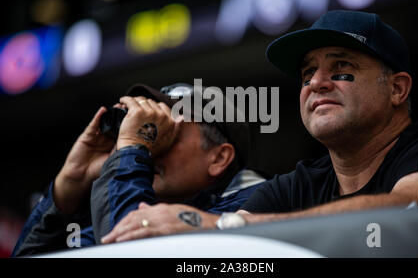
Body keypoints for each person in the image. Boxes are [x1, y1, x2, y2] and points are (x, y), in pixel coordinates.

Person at [99, 9, 418, 244]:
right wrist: (67, 189)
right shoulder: (297, 185)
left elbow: (411, 206)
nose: (316, 83)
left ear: (396, 89)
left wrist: (221, 223)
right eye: (307, 74)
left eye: (342, 68)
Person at [12, 83, 266, 256]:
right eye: (148, 130)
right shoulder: (119, 209)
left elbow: (131, 251)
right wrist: (69, 182)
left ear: (219, 158)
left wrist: (132, 146)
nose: (150, 148)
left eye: (167, 133)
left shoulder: (255, 203)